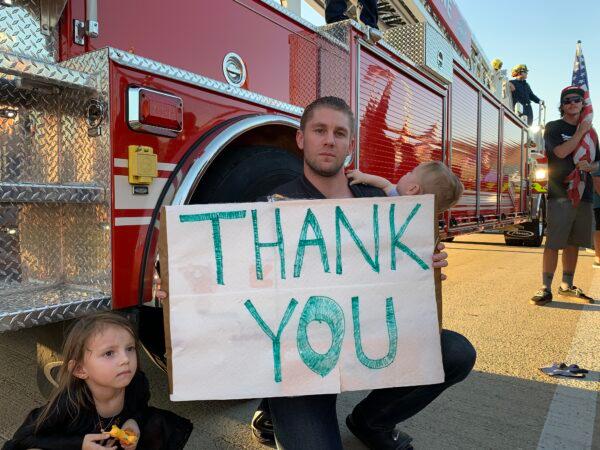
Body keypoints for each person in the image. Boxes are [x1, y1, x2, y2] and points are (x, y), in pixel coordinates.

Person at [250, 96, 476, 450]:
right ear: (300, 139)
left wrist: (425, 268)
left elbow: (404, 274)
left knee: (456, 353)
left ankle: (371, 422)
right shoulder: (273, 205)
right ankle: (271, 407)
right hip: (304, 362)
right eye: (319, 130)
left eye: (339, 133)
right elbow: (246, 281)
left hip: (368, 338)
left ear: (350, 145)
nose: (329, 140)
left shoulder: (381, 202)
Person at [3, 312, 193, 450]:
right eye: (109, 353)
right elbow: (24, 438)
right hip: (73, 443)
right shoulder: (68, 403)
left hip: (110, 438)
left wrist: (133, 421)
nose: (125, 359)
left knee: (158, 424)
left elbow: (140, 406)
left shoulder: (137, 383)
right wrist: (80, 444)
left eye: (130, 348)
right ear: (80, 369)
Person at [530, 86, 599, 306]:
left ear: (583, 103)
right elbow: (559, 153)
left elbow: (599, 162)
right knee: (554, 242)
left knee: (574, 243)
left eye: (577, 100)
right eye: (567, 100)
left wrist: (591, 166)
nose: (572, 103)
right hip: (560, 192)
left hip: (584, 193)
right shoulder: (553, 127)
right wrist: (580, 132)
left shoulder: (592, 133)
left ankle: (567, 286)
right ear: (562, 105)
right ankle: (545, 288)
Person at [346, 161, 464, 214]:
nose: (407, 173)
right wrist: (363, 177)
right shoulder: (421, 224)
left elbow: (385, 184)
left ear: (412, 189)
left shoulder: (395, 196)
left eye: (411, 172)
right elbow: (385, 183)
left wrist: (362, 177)